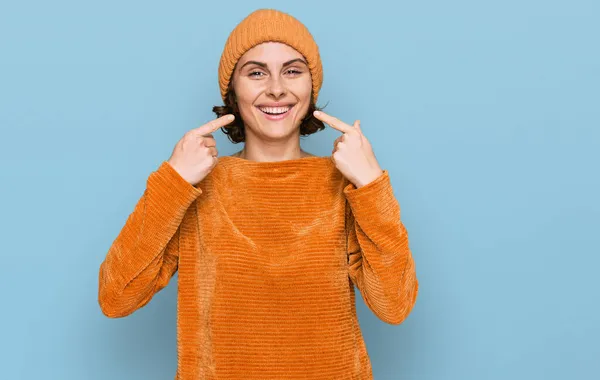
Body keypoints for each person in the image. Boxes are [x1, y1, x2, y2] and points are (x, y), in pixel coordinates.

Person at [98, 8, 419, 380]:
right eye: (256, 72)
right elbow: (116, 297)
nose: (277, 88)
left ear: (311, 87)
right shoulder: (192, 187)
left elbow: (394, 306)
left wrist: (371, 184)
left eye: (293, 71)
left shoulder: (345, 183)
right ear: (233, 90)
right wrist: (172, 181)